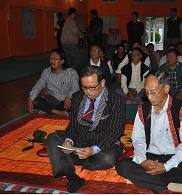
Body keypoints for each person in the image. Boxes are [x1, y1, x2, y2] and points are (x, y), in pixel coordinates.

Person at [116, 70, 182, 194]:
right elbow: (138, 139)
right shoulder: (143, 109)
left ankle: (147, 180)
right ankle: (168, 184)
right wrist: (142, 161)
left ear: (166, 88)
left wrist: (166, 166)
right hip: (150, 156)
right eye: (146, 92)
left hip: (173, 156)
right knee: (122, 166)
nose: (149, 97)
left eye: (153, 92)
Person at [47, 65, 126, 193]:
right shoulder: (78, 97)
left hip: (102, 144)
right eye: (84, 87)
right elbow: (73, 125)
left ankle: (71, 160)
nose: (88, 92)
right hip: (80, 141)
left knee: (108, 158)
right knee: (53, 139)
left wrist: (93, 150)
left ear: (102, 82)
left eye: (92, 87)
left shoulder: (116, 100)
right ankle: (72, 176)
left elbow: (115, 131)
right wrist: (69, 141)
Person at [28, 48, 79, 116]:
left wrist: (69, 97)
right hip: (51, 100)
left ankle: (48, 110)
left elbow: (76, 88)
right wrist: (30, 99)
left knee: (78, 102)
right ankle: (58, 112)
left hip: (65, 101)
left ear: (62, 61)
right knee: (35, 101)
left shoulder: (71, 73)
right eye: (51, 59)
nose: (52, 61)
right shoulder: (47, 72)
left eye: (55, 59)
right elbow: (39, 85)